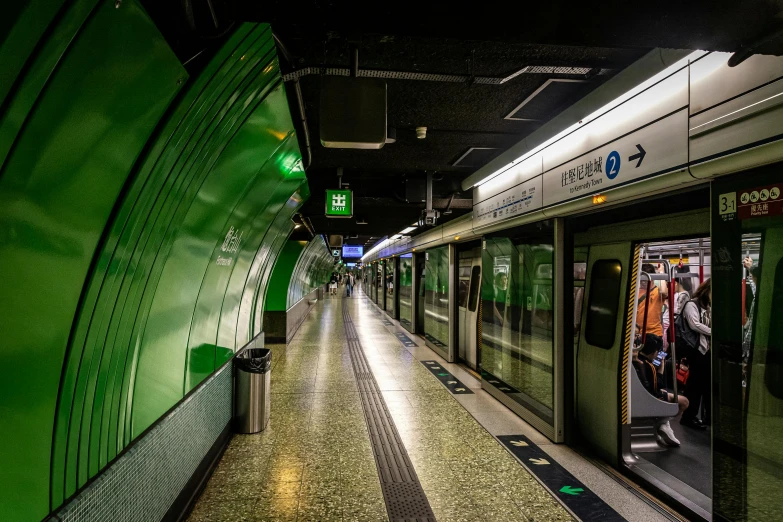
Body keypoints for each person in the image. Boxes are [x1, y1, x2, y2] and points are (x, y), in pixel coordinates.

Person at [680, 278, 711, 429]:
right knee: (695, 384)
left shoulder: (709, 307)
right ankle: (688, 416)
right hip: (696, 349)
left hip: (706, 349)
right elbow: (694, 324)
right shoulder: (692, 304)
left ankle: (706, 416)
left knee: (705, 384)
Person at [636, 264, 668, 358]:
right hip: (638, 335)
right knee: (642, 363)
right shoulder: (635, 292)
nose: (643, 283)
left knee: (658, 361)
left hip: (656, 334)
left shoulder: (658, 292)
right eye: (641, 280)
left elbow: (664, 291)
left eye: (645, 280)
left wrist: (661, 272)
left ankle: (660, 371)